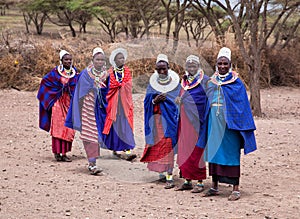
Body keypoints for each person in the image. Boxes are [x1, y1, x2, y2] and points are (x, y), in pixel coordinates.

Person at [204, 47, 257, 201]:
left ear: (230, 64)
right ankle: (214, 186)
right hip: (214, 123)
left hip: (230, 125)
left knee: (232, 154)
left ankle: (235, 189)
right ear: (216, 65)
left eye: (225, 64)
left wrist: (234, 118)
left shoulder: (236, 83)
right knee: (214, 153)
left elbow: (242, 106)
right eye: (219, 63)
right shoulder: (211, 81)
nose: (222, 66)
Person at [65, 47, 109, 175]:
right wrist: (93, 88)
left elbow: (108, 91)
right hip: (87, 108)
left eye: (102, 60)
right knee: (89, 135)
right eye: (97, 59)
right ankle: (92, 163)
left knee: (96, 135)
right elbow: (80, 92)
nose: (99, 62)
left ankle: (93, 161)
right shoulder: (86, 74)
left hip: (99, 109)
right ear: (92, 60)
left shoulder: (106, 74)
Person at [140, 54, 181, 189]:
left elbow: (179, 101)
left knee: (168, 146)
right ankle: (162, 173)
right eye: (159, 69)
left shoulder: (175, 84)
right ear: (156, 70)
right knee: (159, 146)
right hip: (156, 122)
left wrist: (170, 101)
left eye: (164, 69)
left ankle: (170, 176)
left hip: (170, 122)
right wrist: (154, 101)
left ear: (169, 68)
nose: (162, 72)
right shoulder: (152, 84)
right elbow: (146, 102)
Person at [175, 55, 209, 193]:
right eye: (189, 66)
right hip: (184, 122)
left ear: (198, 66)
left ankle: (200, 182)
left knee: (197, 150)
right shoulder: (183, 81)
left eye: (194, 66)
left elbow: (203, 100)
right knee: (185, 149)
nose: (191, 68)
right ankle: (187, 179)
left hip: (197, 122)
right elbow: (181, 96)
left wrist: (187, 101)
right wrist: (179, 100)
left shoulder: (204, 81)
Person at [37, 49, 79, 162]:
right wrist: (57, 91)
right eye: (66, 59)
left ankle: (64, 153)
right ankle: (57, 153)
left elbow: (78, 86)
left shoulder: (75, 73)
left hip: (69, 103)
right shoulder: (55, 73)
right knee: (58, 127)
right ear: (61, 60)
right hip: (58, 103)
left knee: (68, 128)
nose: (68, 62)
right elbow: (45, 82)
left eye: (70, 59)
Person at [102, 48, 136, 161]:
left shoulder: (127, 72)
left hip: (125, 104)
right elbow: (106, 87)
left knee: (126, 125)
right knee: (115, 126)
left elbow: (129, 85)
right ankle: (115, 149)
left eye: (123, 58)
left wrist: (122, 87)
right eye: (119, 58)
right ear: (114, 60)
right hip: (114, 104)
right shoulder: (109, 73)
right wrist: (116, 87)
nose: (122, 60)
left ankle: (128, 149)